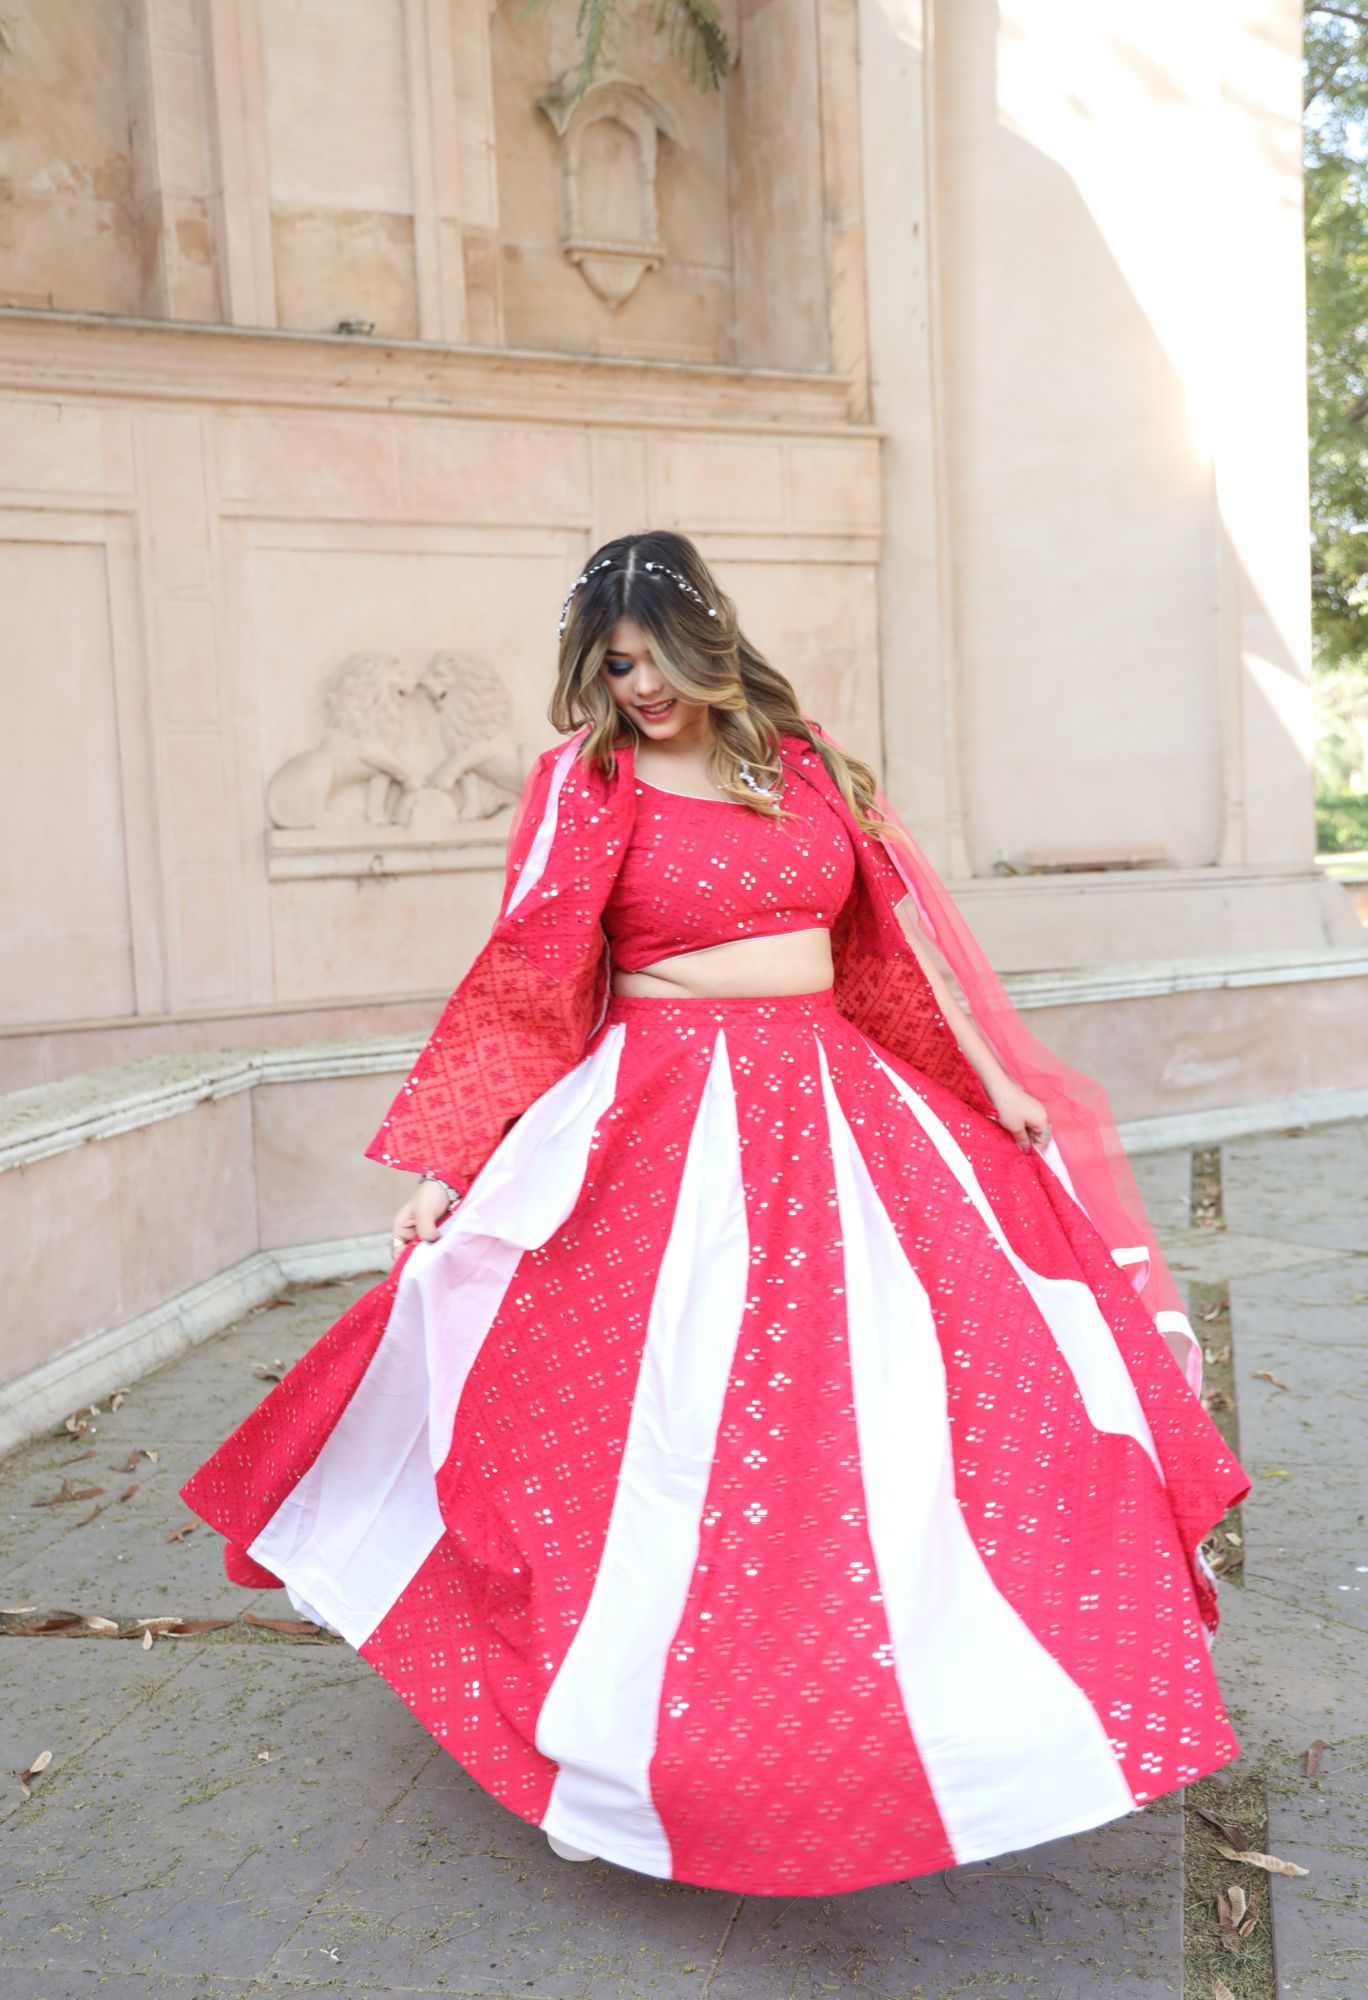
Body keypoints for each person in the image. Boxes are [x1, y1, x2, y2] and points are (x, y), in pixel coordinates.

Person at [180, 529, 1251, 1898]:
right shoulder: (589, 784)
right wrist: (448, 1164)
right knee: (651, 1426)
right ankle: (616, 1727)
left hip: (844, 1111)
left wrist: (986, 1084)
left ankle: (978, 1676)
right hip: (664, 1126)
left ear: (709, 638)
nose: (640, 688)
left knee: (956, 1394)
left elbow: (880, 952)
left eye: (657, 658)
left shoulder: (799, 766)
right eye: (614, 664)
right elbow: (525, 977)